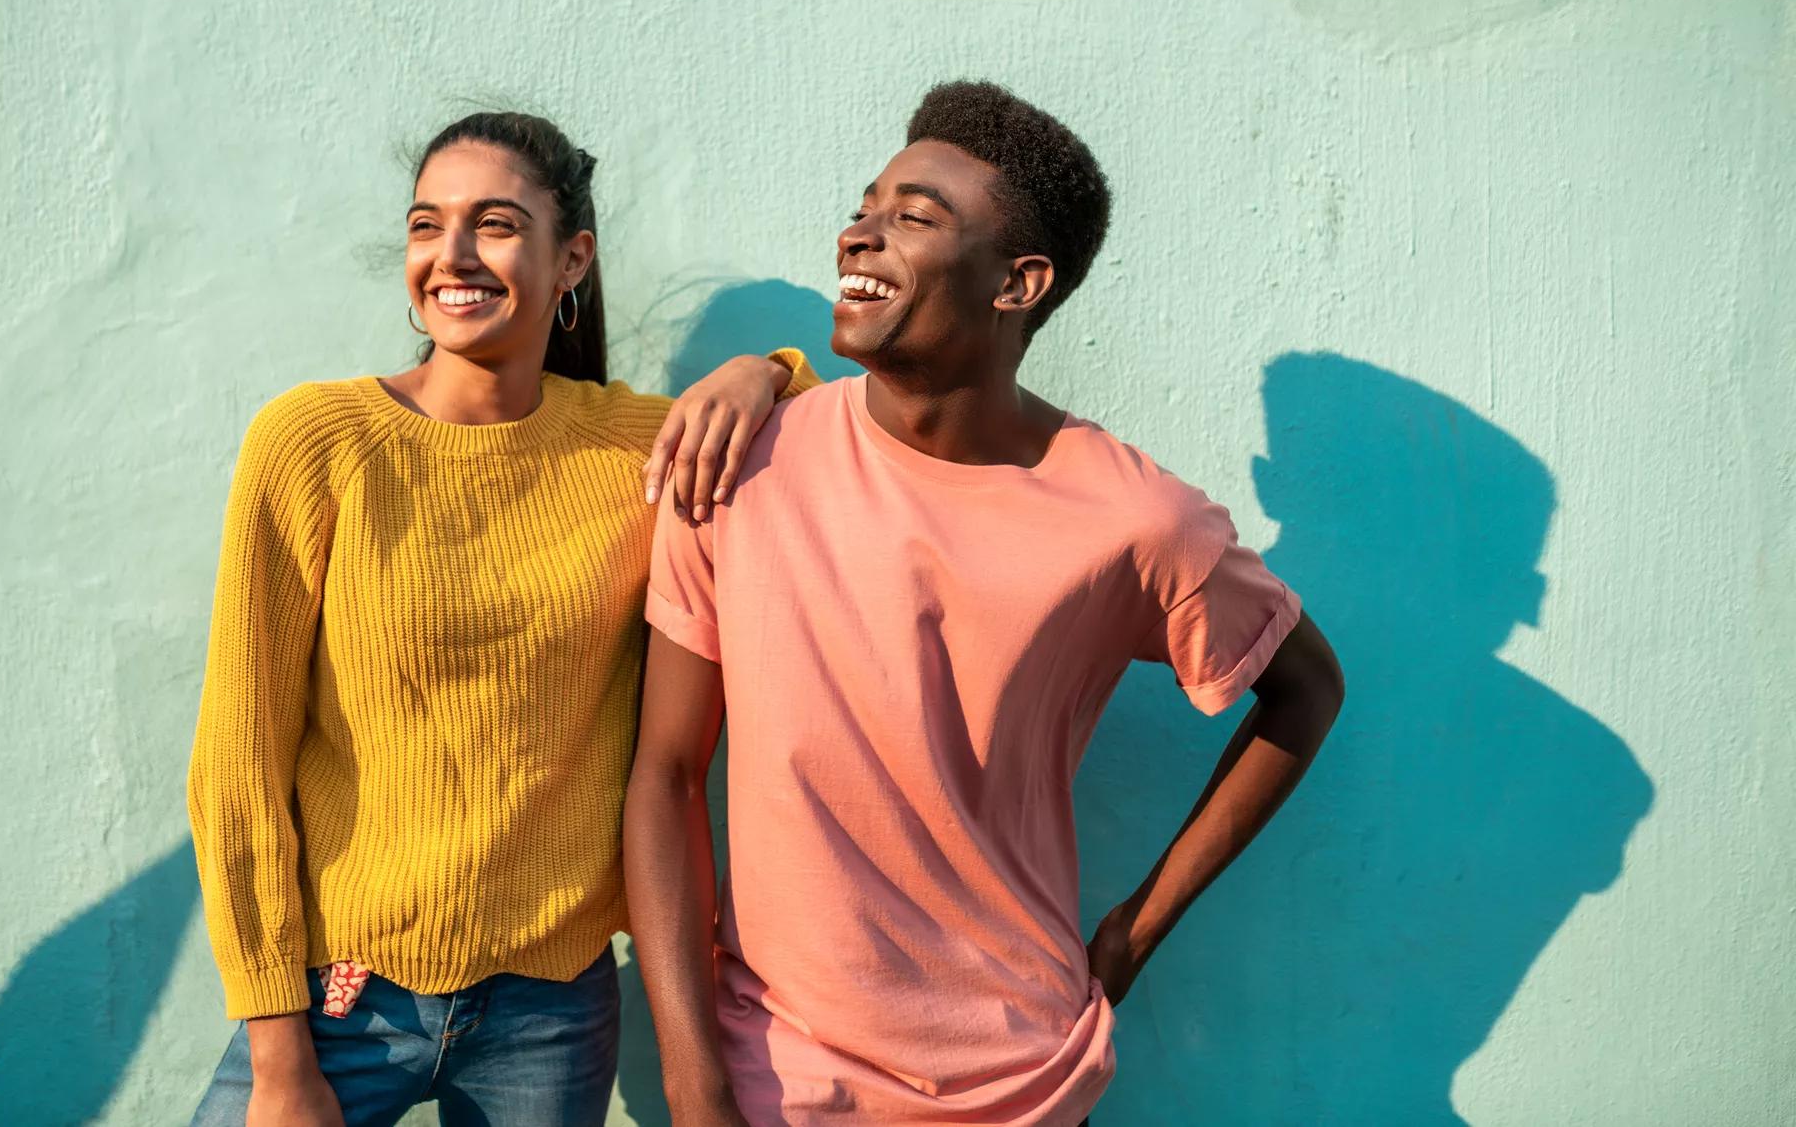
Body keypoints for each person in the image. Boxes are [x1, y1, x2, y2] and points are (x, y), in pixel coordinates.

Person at [623, 82, 1346, 1125]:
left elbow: (1304, 689)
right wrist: (694, 1087)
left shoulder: (1133, 518)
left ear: (1019, 281)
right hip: (776, 1075)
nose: (859, 233)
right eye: (865, 204)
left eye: (913, 216)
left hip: (1023, 1082)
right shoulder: (737, 464)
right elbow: (663, 774)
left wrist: (1134, 931)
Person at [187, 109, 819, 1127]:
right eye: (425, 224)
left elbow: (809, 441)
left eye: (491, 223)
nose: (450, 254)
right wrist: (275, 1050)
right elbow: (237, 762)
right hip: (341, 995)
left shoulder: (635, 453)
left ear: (572, 258)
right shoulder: (314, 442)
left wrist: (767, 368)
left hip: (551, 1009)